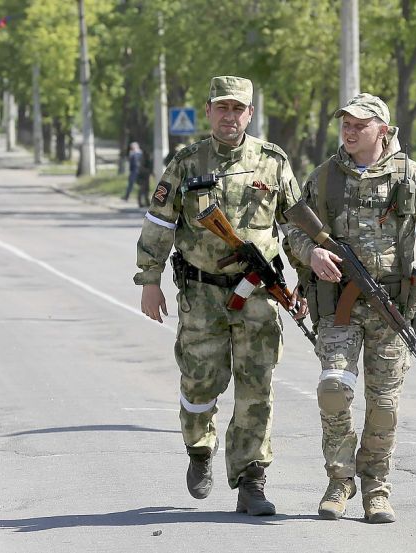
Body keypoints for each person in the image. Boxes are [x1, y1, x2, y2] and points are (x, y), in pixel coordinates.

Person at [283, 93, 416, 523]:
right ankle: (339, 481)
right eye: (345, 122)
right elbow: (291, 230)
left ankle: (376, 487)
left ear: (382, 129)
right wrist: (312, 255)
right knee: (332, 390)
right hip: (336, 307)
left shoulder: (410, 176)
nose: (349, 129)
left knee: (384, 405)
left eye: (359, 124)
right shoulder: (325, 177)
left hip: (390, 308)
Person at [132, 76, 302, 516]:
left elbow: (296, 226)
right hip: (201, 294)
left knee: (257, 386)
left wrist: (305, 281)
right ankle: (199, 449)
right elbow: (160, 222)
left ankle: (252, 479)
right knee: (200, 383)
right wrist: (149, 279)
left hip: (259, 293)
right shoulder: (186, 162)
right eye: (222, 108)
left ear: (250, 113)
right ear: (209, 112)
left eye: (238, 109)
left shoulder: (273, 162)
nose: (230, 116)